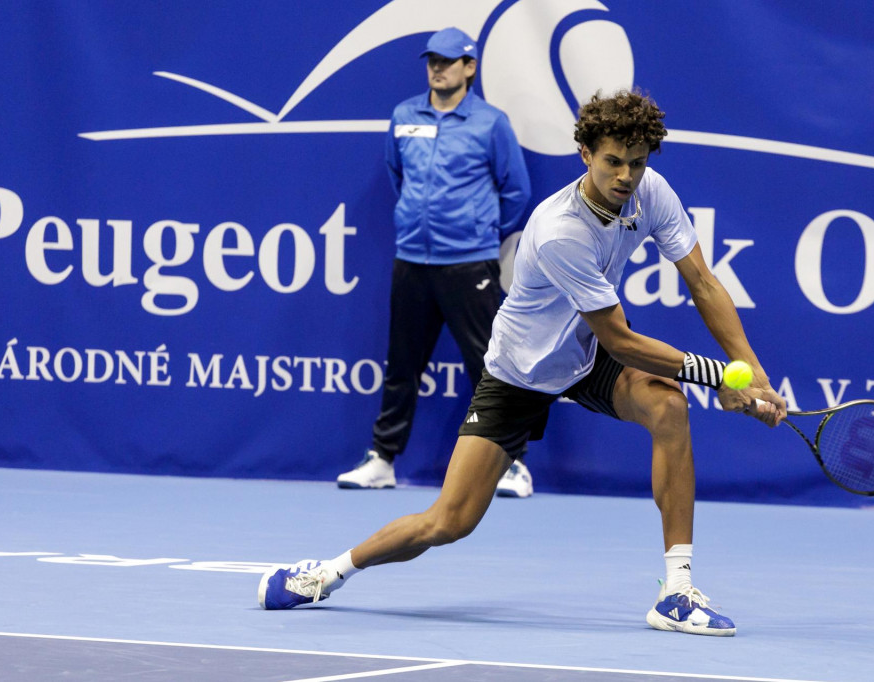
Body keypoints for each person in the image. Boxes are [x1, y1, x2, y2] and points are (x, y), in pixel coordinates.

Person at [263, 89, 787, 636]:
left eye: (636, 163)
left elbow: (702, 281)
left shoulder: (649, 192)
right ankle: (328, 573)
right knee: (449, 521)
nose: (626, 176)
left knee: (668, 407)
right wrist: (722, 377)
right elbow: (622, 341)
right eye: (613, 161)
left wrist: (755, 376)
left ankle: (676, 592)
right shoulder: (562, 230)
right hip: (522, 372)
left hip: (584, 356)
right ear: (585, 153)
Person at [335, 27, 534, 497]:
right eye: (432, 60)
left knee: (490, 368)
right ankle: (382, 460)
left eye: (448, 61)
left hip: (470, 264)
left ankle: (514, 465)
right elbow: (397, 175)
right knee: (402, 365)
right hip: (412, 262)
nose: (437, 68)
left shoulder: (491, 122)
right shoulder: (404, 115)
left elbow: (516, 191)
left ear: (470, 67)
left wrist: (475, 231)